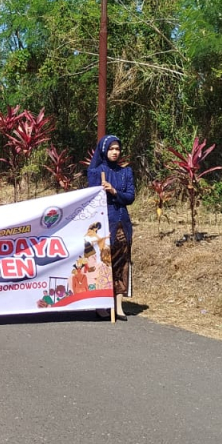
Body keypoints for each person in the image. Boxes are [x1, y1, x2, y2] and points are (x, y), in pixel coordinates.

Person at [87, 134, 136, 318]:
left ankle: (118, 305)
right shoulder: (95, 172)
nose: (115, 152)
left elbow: (130, 197)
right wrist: (100, 190)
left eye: (117, 149)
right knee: (103, 262)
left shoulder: (126, 172)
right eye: (111, 149)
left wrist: (114, 191)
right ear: (104, 150)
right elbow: (91, 199)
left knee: (121, 262)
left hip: (122, 223)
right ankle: (101, 305)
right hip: (103, 224)